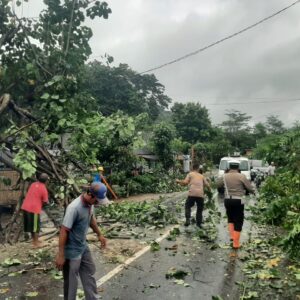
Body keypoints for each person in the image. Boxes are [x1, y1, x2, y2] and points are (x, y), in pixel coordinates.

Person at [55, 182, 107, 300]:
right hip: (71, 250)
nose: (98, 202)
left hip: (82, 246)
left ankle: (92, 298)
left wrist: (100, 234)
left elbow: (91, 218)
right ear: (91, 195)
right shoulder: (74, 208)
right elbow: (64, 230)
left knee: (89, 271)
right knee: (71, 282)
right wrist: (61, 254)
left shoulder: (90, 204)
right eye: (97, 200)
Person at [217, 160, 254, 249]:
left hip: (227, 200)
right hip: (239, 200)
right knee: (239, 220)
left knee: (230, 218)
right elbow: (249, 188)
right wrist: (253, 191)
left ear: (229, 167)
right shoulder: (242, 176)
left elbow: (218, 185)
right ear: (238, 167)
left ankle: (232, 237)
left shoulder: (224, 176)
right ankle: (236, 243)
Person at [176, 162, 211, 227]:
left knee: (187, 206)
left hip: (192, 193)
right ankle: (199, 223)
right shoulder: (202, 176)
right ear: (198, 169)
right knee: (199, 209)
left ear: (192, 168)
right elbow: (207, 185)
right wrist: (209, 191)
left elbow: (185, 183)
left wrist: (178, 181)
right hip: (200, 195)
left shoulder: (190, 174)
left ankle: (188, 220)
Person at [21, 173, 49, 248]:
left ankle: (34, 240)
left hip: (25, 206)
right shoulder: (44, 189)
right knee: (36, 227)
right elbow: (46, 202)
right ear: (46, 181)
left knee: (31, 226)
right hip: (34, 209)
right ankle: (36, 243)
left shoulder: (33, 184)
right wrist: (45, 202)